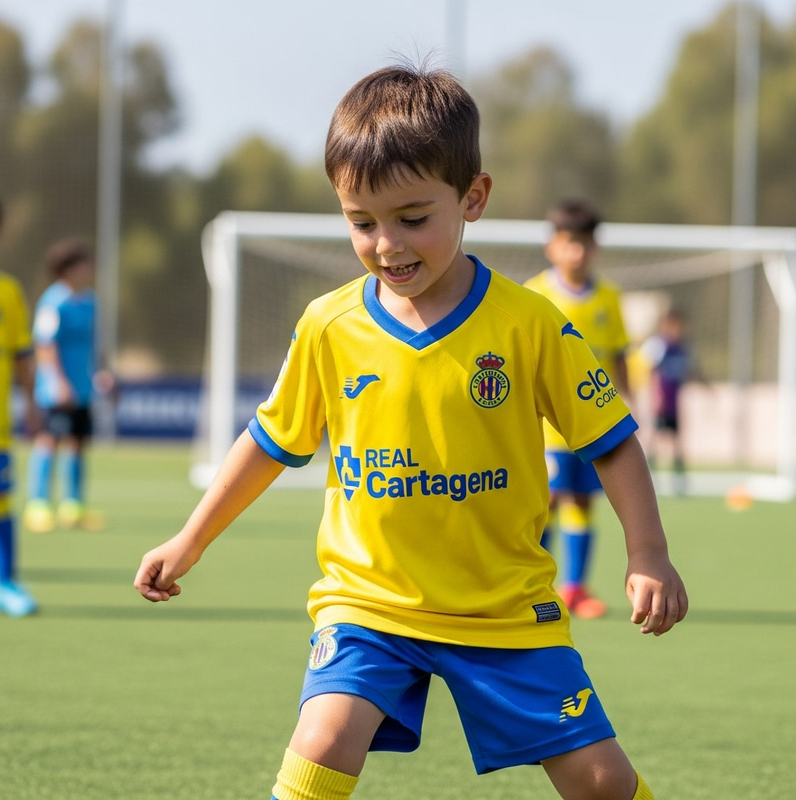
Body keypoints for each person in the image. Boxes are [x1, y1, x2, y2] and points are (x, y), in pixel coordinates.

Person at [135, 63, 688, 800]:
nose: (388, 244)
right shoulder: (330, 326)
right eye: (362, 223)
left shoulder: (529, 325)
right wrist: (190, 539)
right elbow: (269, 444)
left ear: (474, 198)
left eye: (413, 218)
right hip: (368, 601)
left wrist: (648, 553)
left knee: (600, 782)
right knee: (324, 737)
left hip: (502, 609)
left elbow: (612, 439)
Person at [524, 199, 631, 619]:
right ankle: (536, 585)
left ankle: (575, 588)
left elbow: (619, 352)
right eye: (570, 243)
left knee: (584, 503)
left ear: (595, 248)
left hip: (594, 424)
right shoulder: (535, 293)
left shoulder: (608, 297)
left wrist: (628, 400)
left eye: (585, 243)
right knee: (547, 501)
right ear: (552, 246)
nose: (578, 252)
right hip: (548, 428)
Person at [22, 238, 105, 533]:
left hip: (83, 387)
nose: (89, 269)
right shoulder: (52, 301)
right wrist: (57, 382)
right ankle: (38, 505)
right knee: (48, 440)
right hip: (56, 389)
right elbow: (44, 345)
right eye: (83, 264)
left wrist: (103, 372)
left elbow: (95, 343)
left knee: (77, 443)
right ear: (67, 269)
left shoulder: (91, 301)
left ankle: (73, 506)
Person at [0, 195, 40, 616]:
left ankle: (5, 583)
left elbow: (23, 356)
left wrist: (31, 404)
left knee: (0, 502)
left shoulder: (6, 292)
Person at [640, 309, 692, 494]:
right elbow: (651, 374)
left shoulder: (681, 349)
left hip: (674, 405)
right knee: (653, 440)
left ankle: (679, 482)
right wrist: (655, 399)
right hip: (660, 404)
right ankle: (648, 480)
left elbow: (688, 372)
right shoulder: (659, 346)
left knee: (677, 442)